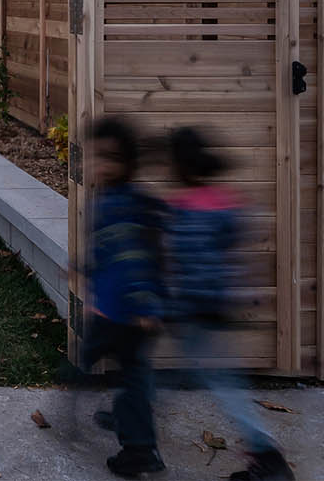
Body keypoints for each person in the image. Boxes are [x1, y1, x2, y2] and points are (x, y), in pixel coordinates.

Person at [165, 127, 294, 481]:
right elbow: (233, 252)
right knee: (209, 379)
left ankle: (267, 458)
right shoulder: (227, 203)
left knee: (222, 385)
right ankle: (135, 424)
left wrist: (171, 304)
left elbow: (181, 262)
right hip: (217, 306)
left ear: (180, 167)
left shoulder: (182, 209)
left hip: (193, 309)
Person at [81, 116, 166, 477]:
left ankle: (140, 451)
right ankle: (128, 422)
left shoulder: (127, 205)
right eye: (96, 156)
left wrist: (146, 305)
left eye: (109, 158)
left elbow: (140, 259)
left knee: (129, 377)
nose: (100, 165)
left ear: (127, 163)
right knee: (125, 371)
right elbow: (105, 252)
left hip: (130, 314)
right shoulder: (111, 201)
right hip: (111, 308)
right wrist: (81, 271)